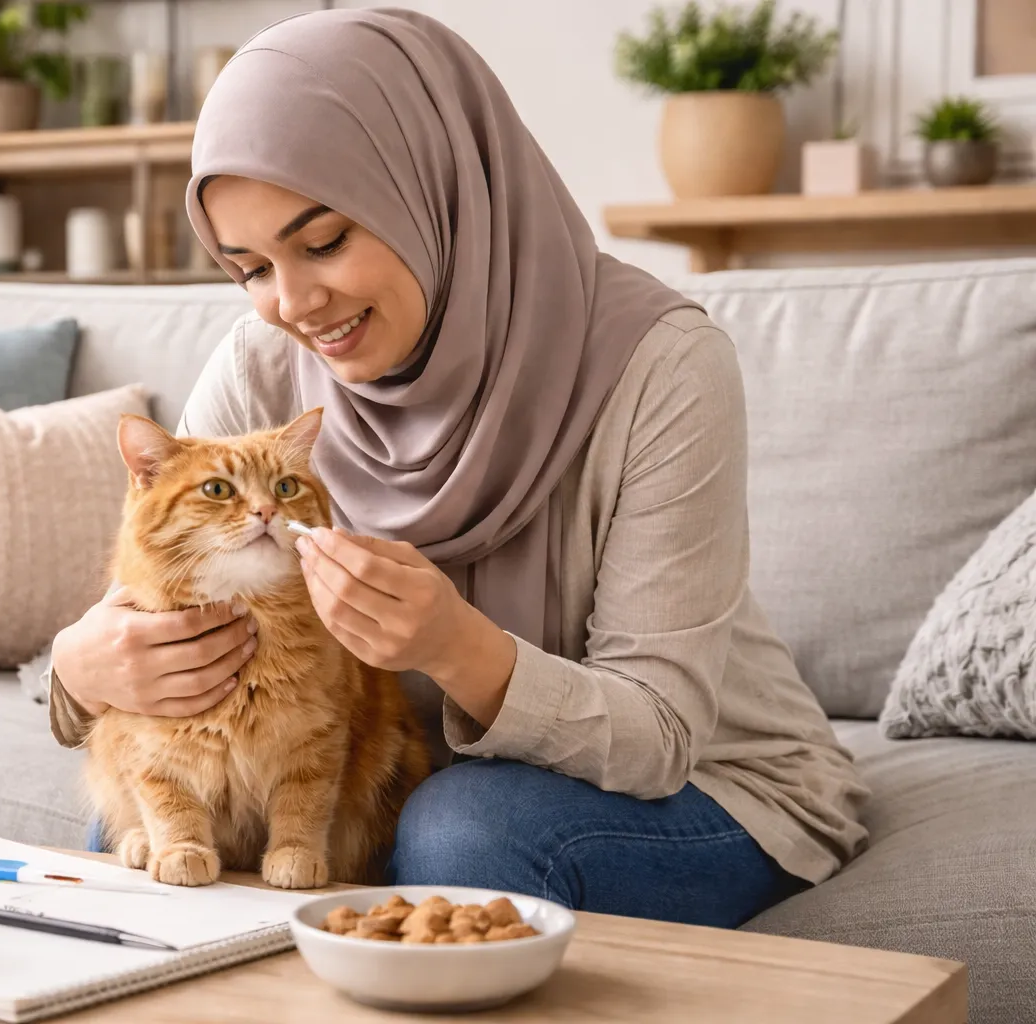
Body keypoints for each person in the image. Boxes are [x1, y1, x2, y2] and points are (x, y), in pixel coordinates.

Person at [43, 7, 867, 928]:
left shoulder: (662, 366)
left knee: (460, 838)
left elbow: (661, 737)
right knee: (142, 837)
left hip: (712, 781)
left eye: (323, 243)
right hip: (388, 764)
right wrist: (78, 676)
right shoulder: (264, 368)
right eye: (249, 268)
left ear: (433, 187)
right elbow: (152, 605)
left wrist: (454, 649)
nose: (292, 303)